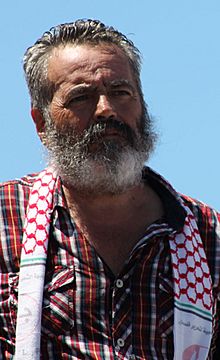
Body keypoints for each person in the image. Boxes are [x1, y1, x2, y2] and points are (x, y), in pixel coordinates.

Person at [0, 19, 219, 360]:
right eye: (81, 97)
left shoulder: (208, 238)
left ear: (142, 106)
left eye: (121, 92)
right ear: (41, 123)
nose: (106, 110)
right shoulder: (6, 218)